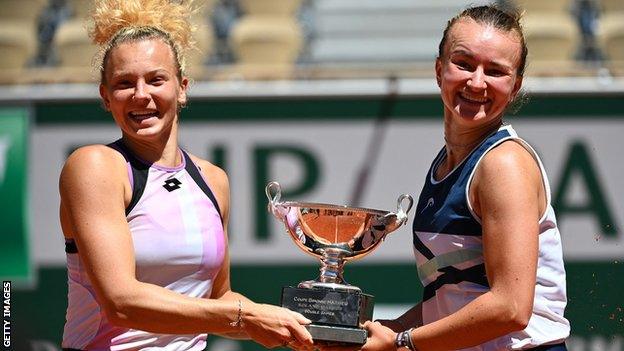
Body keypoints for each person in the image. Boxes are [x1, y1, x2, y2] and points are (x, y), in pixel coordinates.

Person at [58, 0, 314, 350]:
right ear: (105, 96)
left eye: (156, 79)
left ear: (182, 88)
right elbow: (121, 303)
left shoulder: (213, 179)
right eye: (123, 83)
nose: (141, 94)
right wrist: (246, 316)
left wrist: (301, 325)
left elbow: (219, 298)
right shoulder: (94, 165)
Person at [328, 5, 571, 351]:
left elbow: (510, 308)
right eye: (464, 64)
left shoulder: (503, 164)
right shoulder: (447, 163)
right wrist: (390, 328)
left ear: (515, 87)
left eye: (495, 71)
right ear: (439, 69)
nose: (476, 82)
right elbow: (454, 293)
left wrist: (400, 343)